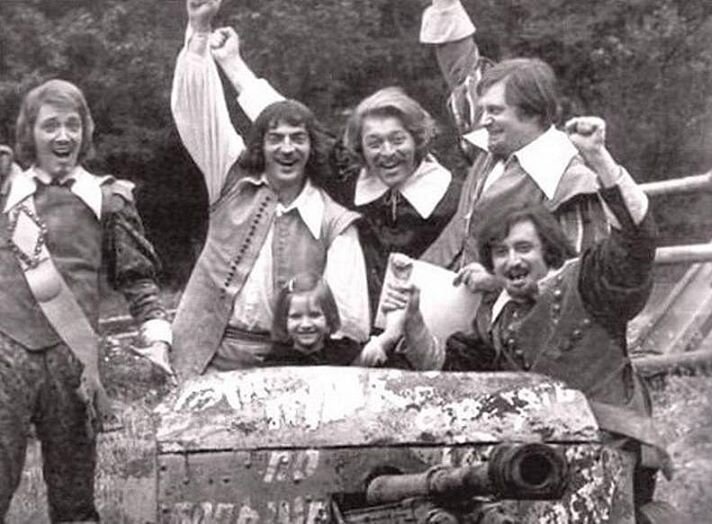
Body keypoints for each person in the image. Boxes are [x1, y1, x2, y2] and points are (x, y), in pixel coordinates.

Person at [392, 116, 678, 522]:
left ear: (549, 250)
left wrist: (598, 157)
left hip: (611, 448)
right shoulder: (493, 320)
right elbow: (451, 373)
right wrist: (414, 323)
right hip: (536, 466)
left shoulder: (590, 283)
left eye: (523, 247)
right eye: (501, 252)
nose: (512, 260)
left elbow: (636, 241)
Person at [0, 79, 171, 522]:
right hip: (5, 356)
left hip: (73, 365)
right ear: (30, 131)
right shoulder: (6, 191)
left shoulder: (108, 198)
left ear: (85, 130)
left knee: (74, 500)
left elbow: (138, 279)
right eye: (50, 126)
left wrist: (157, 340)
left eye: (72, 125)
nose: (63, 136)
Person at [171, 0, 370, 379]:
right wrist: (199, 31)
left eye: (298, 138)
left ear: (312, 147)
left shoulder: (335, 222)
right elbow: (197, 114)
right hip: (209, 355)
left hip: (295, 365)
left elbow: (350, 323)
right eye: (275, 138)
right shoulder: (231, 182)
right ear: (260, 145)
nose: (287, 148)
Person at [208, 25, 461, 320]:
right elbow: (286, 120)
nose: (387, 152)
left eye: (397, 140)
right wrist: (231, 62)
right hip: (346, 331)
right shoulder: (347, 176)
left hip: (426, 329)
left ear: (417, 139)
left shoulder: (452, 198)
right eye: (374, 143)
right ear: (361, 148)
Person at [418, 0, 609, 292]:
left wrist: (499, 281)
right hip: (446, 296)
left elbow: (583, 275)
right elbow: (462, 72)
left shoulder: (570, 180)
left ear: (531, 113)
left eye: (494, 111)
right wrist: (445, 4)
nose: (484, 120)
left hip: (513, 316)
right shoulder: (492, 144)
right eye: (484, 109)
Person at [265, 272, 363, 366]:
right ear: (284, 320)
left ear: (329, 317)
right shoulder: (277, 360)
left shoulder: (345, 355)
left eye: (314, 315)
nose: (306, 324)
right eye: (296, 317)